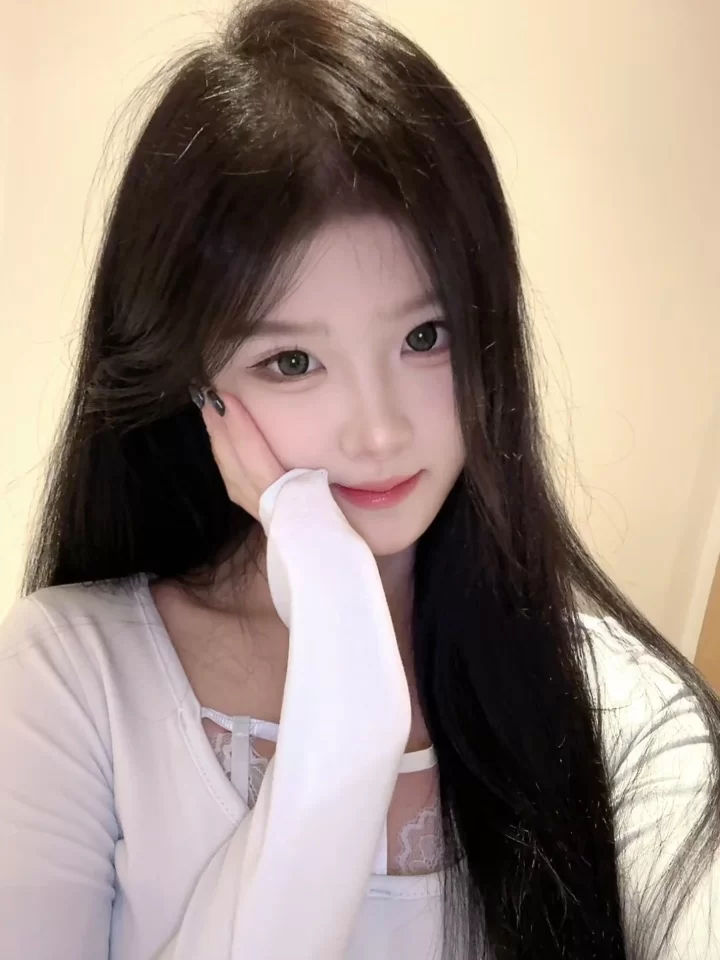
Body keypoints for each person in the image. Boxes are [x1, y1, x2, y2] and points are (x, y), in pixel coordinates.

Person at [1, 0, 719, 957]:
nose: (380, 433)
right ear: (196, 387)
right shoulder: (70, 682)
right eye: (292, 361)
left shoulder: (624, 710)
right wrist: (342, 701)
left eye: (426, 336)